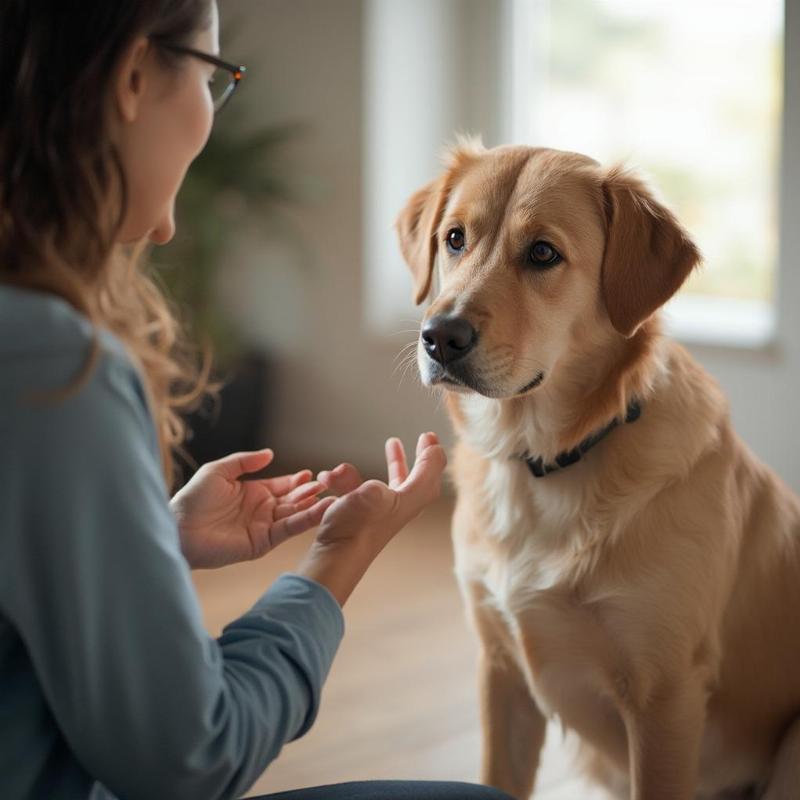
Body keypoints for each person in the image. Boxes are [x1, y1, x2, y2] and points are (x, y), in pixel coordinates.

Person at [0, 2, 516, 799]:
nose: (210, 112)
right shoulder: (52, 365)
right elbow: (190, 759)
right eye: (213, 76)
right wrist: (335, 563)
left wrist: (150, 541)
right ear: (134, 77)